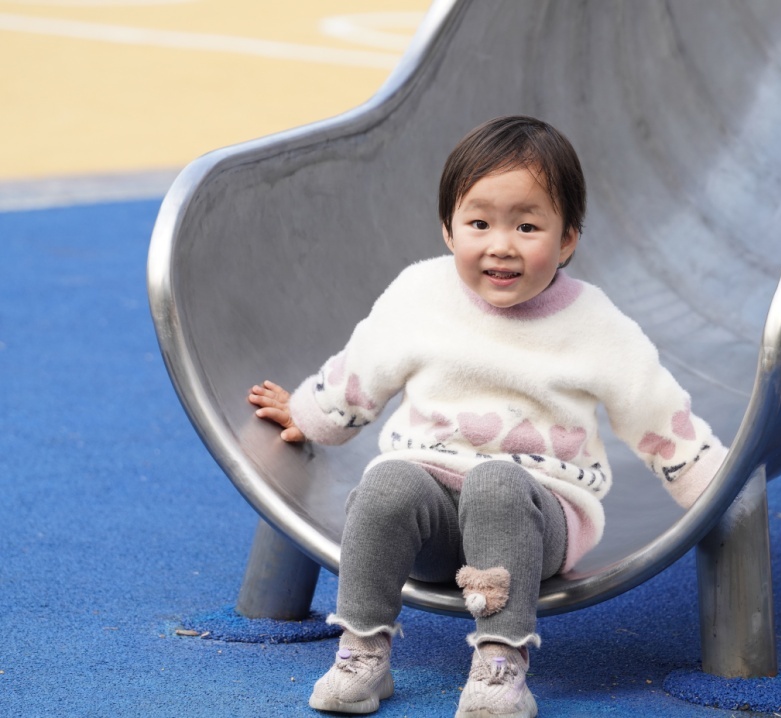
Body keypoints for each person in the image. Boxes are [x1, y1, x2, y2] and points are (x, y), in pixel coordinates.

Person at [247, 115, 728, 717]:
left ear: (567, 240)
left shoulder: (593, 322)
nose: (501, 245)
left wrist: (713, 482)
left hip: (539, 511)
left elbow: (651, 404)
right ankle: (361, 651)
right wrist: (311, 413)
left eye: (527, 226)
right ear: (449, 231)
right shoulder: (420, 294)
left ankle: (500, 662)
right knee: (386, 482)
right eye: (479, 224)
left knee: (498, 484)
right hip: (434, 519)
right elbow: (363, 367)